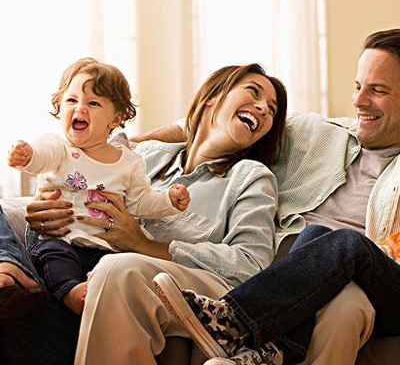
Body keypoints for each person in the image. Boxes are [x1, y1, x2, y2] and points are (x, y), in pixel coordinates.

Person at [0, 63, 287, 364]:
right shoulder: (146, 154)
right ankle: (10, 267)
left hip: (118, 286)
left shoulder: (251, 177)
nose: (263, 109)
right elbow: (79, 163)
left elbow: (250, 265)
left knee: (114, 269)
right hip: (61, 273)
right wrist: (41, 213)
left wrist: (143, 244)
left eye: (271, 109)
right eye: (253, 93)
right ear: (212, 97)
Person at [151, 28, 400, 365]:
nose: (358, 101)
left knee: (345, 245)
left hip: (382, 283)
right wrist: (128, 143)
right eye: (358, 87)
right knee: (316, 234)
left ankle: (234, 322)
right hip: (294, 274)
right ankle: (264, 350)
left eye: (378, 90)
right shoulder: (319, 133)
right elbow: (208, 119)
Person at [7, 57, 191, 314]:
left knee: (120, 268)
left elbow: (140, 202)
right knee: (54, 257)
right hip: (60, 239)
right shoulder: (59, 147)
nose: (80, 108)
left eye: (93, 103)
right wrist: (27, 156)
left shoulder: (129, 162)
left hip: (105, 247)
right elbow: (42, 156)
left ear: (115, 119)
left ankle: (99, 297)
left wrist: (168, 200)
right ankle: (72, 292)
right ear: (59, 106)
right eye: (71, 100)